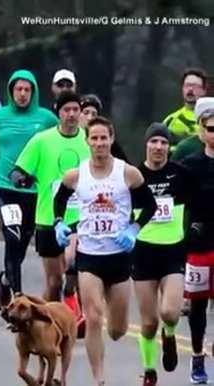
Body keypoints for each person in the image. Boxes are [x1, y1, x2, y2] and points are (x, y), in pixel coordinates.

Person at [53, 116, 156, 385]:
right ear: (87, 141)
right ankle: (98, 379)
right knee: (94, 317)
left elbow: (151, 206)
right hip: (89, 255)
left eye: (104, 138)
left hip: (119, 256)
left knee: (118, 329)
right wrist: (59, 223)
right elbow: (60, 199)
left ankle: (116, 328)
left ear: (112, 139)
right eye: (94, 138)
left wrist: (134, 229)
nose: (99, 143)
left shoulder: (127, 173)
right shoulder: (76, 175)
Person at [0, 69, 58, 309]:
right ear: (11, 92)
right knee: (12, 236)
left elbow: (61, 143)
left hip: (34, 190)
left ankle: (7, 278)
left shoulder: (47, 118)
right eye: (18, 89)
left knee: (24, 238)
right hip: (5, 187)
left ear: (34, 92)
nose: (22, 94)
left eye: (27, 90)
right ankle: (17, 296)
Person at [11, 92, 89, 308]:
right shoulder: (42, 140)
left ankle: (76, 315)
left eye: (75, 110)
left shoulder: (90, 139)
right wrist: (22, 180)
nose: (71, 115)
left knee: (78, 277)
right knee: (54, 282)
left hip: (83, 219)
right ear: (58, 112)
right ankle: (49, 322)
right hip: (48, 218)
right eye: (66, 110)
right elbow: (16, 171)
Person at [130, 123, 187, 384]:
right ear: (146, 145)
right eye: (154, 142)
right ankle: (149, 369)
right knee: (149, 321)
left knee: (170, 313)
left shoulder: (180, 174)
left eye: (163, 143)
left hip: (173, 251)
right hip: (142, 252)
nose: (158, 147)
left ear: (169, 147)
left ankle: (171, 333)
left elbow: (201, 202)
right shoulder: (134, 176)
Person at [180, 97, 214, 384]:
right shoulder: (190, 164)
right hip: (199, 242)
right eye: (211, 128)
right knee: (199, 305)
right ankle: (197, 356)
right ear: (202, 131)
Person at [163, 68, 207, 152]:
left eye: (195, 86)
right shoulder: (171, 121)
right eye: (187, 85)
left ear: (203, 91)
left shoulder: (210, 120)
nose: (190, 89)